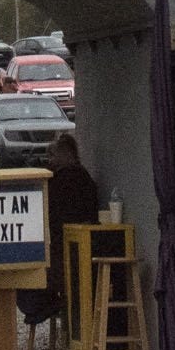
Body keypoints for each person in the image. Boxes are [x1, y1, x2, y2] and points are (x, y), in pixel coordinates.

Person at [18, 135, 103, 332]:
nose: (49, 160)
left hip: (61, 261)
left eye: (52, 155)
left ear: (64, 156)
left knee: (24, 279)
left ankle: (49, 307)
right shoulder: (85, 179)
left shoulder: (60, 182)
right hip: (79, 258)